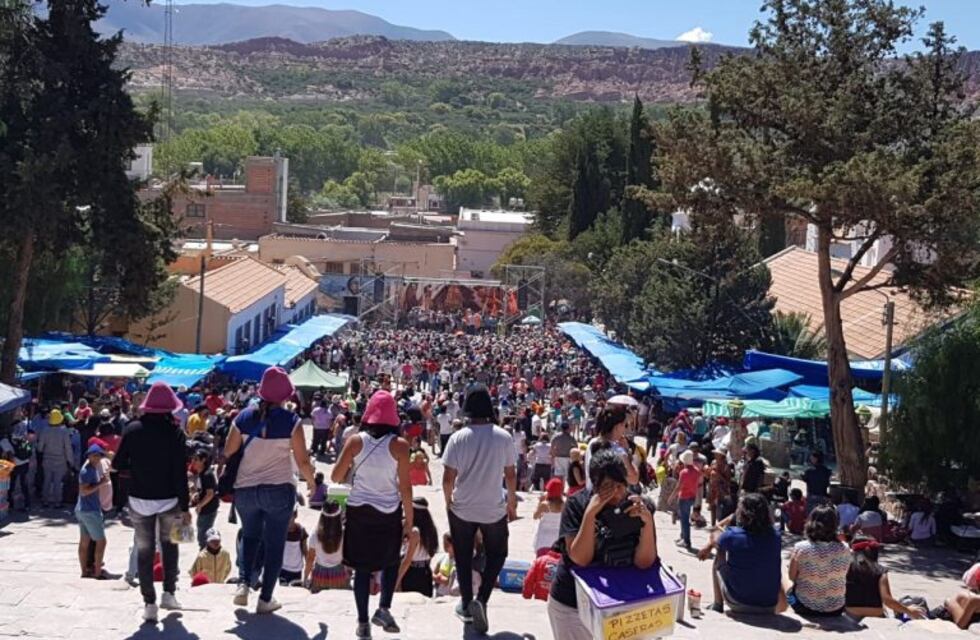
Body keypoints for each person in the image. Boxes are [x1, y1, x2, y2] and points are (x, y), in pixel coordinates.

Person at [224, 366, 317, 614]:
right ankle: (266, 598)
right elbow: (303, 460)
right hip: (278, 488)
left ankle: (243, 583)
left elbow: (228, 451)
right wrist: (312, 483)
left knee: (250, 536)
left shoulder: (243, 417)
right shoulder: (292, 421)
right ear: (286, 395)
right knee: (275, 544)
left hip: (245, 488)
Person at [547, 449, 657, 640]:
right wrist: (590, 514)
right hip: (573, 606)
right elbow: (580, 559)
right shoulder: (577, 504)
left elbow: (645, 562)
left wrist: (647, 524)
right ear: (595, 485)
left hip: (623, 606)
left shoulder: (636, 506)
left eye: (620, 485)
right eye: (608, 486)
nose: (616, 492)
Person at [331, 390, 413, 640]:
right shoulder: (400, 446)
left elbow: (335, 476)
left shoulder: (355, 441)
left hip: (359, 510)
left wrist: (352, 474)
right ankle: (384, 608)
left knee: (361, 568)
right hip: (388, 511)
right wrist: (409, 521)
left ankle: (362, 622)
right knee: (390, 562)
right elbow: (405, 487)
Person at [112, 382, 191, 623]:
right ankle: (169, 592)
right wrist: (186, 506)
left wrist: (137, 469)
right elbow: (181, 473)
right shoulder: (176, 433)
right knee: (171, 546)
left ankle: (149, 604)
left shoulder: (132, 429)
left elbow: (117, 464)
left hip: (139, 498)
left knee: (145, 551)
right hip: (170, 499)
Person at [442, 384, 517, 635]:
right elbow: (510, 474)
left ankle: (465, 604)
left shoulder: (457, 437)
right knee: (498, 553)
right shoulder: (503, 436)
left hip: (463, 506)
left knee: (463, 557)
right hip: (492, 506)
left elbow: (448, 477)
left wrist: (447, 501)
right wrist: (512, 502)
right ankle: (482, 599)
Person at [697, 493, 786, 614]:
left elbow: (716, 535)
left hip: (738, 602)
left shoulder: (733, 535)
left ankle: (717, 604)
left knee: (720, 551)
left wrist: (708, 546)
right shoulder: (776, 536)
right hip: (769, 604)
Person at [784, 505, 850, 617]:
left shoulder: (801, 548)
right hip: (836, 609)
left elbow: (792, 578)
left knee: (784, 581)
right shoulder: (844, 548)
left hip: (803, 607)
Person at [844, 536, 926, 620]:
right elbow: (887, 600)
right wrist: (908, 610)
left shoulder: (845, 568)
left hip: (851, 613)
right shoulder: (879, 570)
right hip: (876, 614)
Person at [75, 444, 110, 579]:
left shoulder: (92, 469)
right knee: (101, 541)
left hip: (83, 509)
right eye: (95, 455)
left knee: (85, 541)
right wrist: (101, 483)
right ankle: (97, 572)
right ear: (88, 456)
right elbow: (84, 491)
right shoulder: (86, 471)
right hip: (89, 510)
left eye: (99, 455)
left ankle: (85, 571)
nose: (97, 458)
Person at [585, 408, 639, 490]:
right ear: (617, 426)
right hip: (610, 498)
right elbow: (633, 479)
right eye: (625, 425)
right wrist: (627, 451)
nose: (626, 429)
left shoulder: (593, 442)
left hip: (592, 493)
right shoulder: (618, 449)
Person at [396, 497, 440, 597]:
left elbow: (407, 560)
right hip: (425, 572)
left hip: (412, 573)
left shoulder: (415, 532)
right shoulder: (430, 529)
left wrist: (396, 581)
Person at [305, 500, 351, 593]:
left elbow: (310, 558)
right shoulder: (344, 533)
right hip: (339, 576)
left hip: (319, 576)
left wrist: (305, 577)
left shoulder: (316, 534)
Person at [37, 409, 73, 508]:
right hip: (60, 460)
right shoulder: (64, 431)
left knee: (47, 480)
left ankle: (45, 500)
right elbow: (68, 447)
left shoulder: (45, 430)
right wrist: (71, 461)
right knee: (57, 482)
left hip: (47, 459)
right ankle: (58, 502)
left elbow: (40, 447)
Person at [669, 450, 702, 551]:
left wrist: (671, 497)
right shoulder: (697, 470)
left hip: (684, 497)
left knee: (684, 520)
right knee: (684, 518)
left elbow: (679, 487)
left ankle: (687, 541)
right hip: (692, 497)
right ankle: (683, 537)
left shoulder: (684, 472)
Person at [189, 450, 218, 549]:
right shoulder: (201, 474)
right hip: (205, 509)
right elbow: (204, 490)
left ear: (203, 460)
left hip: (208, 510)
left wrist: (200, 505)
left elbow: (210, 494)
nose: (193, 461)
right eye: (193, 459)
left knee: (203, 537)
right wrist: (196, 494)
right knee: (202, 533)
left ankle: (206, 556)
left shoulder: (207, 475)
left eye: (196, 459)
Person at [533, 478, 565, 557]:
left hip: (543, 540)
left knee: (541, 561)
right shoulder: (564, 505)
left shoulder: (544, 505)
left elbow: (535, 516)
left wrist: (539, 502)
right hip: (557, 539)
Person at [280, 509, 309, 585]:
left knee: (295, 592)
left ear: (295, 516)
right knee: (284, 592)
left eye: (290, 516)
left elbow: (305, 549)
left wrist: (308, 566)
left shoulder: (301, 531)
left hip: (296, 570)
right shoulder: (280, 530)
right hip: (283, 569)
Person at [707, 449, 732, 527]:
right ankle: (713, 524)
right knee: (712, 506)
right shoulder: (713, 462)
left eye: (717, 454)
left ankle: (721, 524)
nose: (715, 455)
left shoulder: (726, 466)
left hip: (721, 488)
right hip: (712, 486)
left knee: (720, 506)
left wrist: (719, 476)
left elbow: (728, 481)